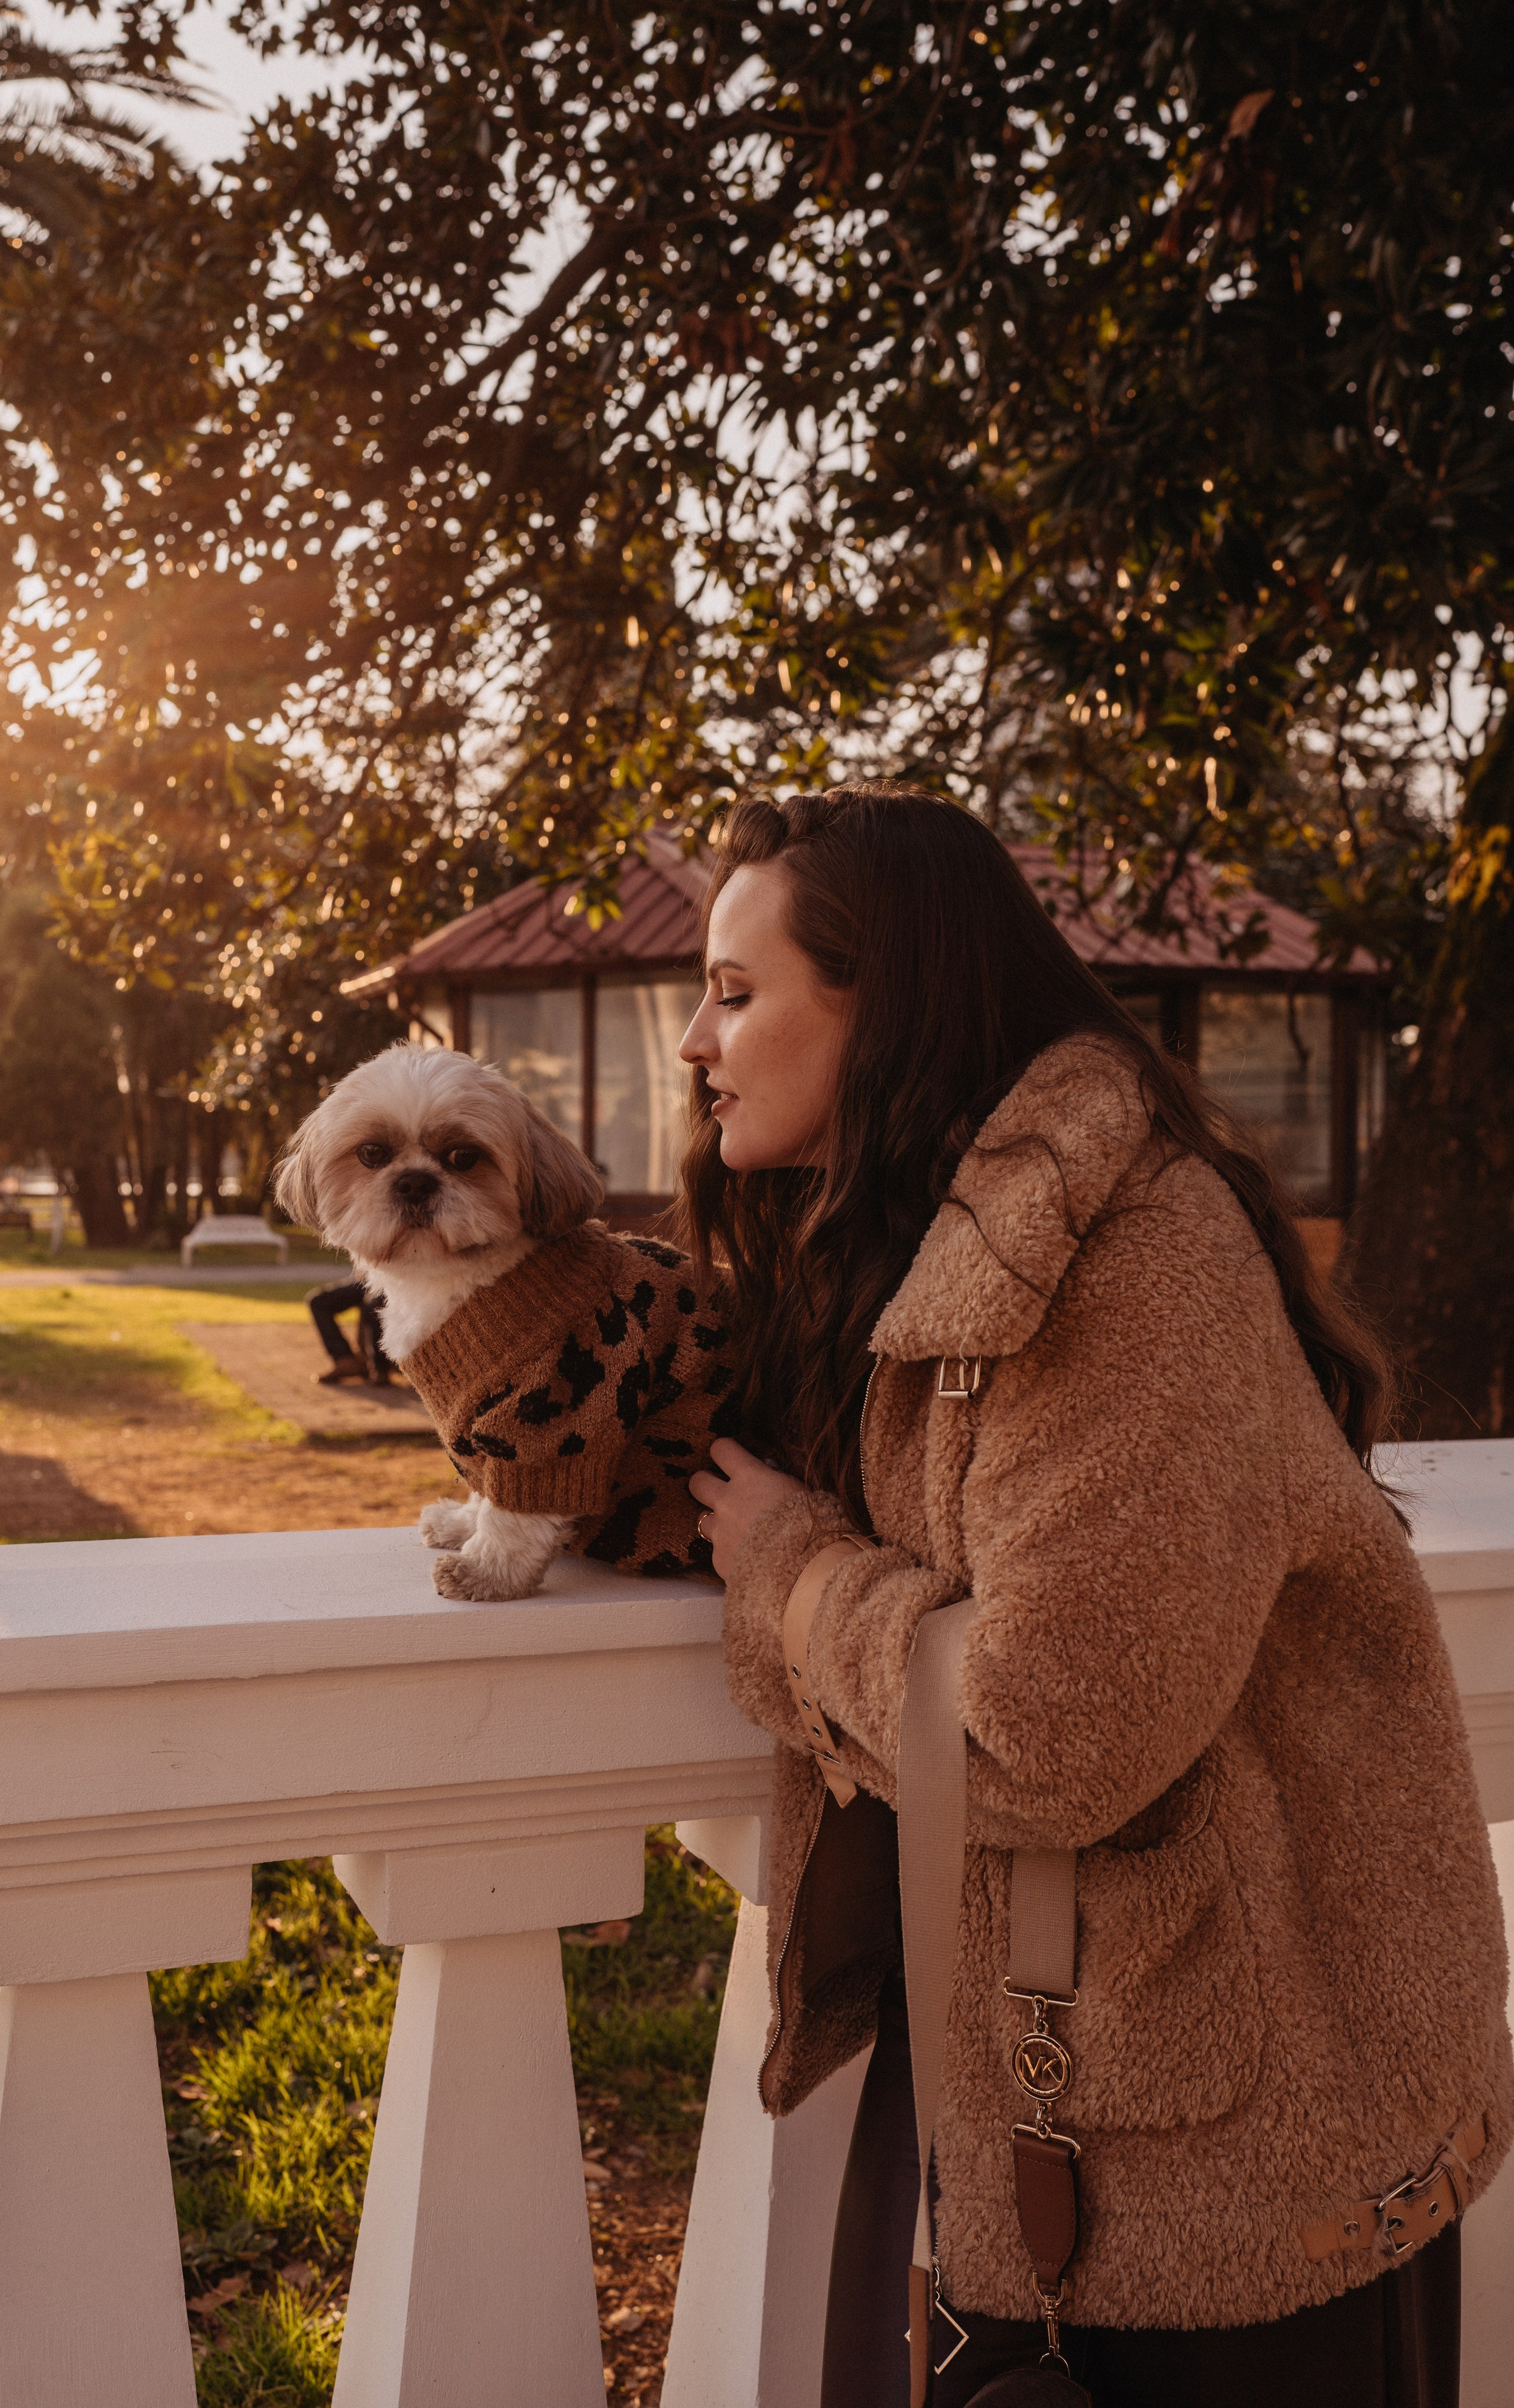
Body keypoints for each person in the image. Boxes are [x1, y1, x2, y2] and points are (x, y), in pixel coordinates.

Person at [396, 786, 1511, 2408]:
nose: (694, 1038)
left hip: (1222, 2146)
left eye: (732, 988)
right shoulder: (901, 1238)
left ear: (887, 1001)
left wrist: (787, 1576)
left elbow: (1049, 1732)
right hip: (1045, 2077)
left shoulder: (1129, 1262)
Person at [306, 1278, 390, 1384]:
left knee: (371, 1306)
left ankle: (380, 1368)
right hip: (370, 1278)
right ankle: (345, 1361)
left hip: (394, 1282)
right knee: (318, 1302)